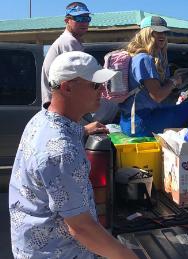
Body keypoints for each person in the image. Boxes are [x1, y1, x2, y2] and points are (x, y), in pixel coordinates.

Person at [9, 51, 137, 259]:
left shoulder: (42, 119)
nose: (103, 92)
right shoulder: (61, 150)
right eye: (95, 85)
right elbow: (81, 229)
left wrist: (84, 130)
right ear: (67, 87)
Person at [119, 16, 188, 136]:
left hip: (130, 121)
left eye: (164, 32)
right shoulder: (144, 59)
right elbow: (158, 96)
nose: (162, 35)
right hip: (141, 123)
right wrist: (173, 81)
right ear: (146, 33)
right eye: (156, 32)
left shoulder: (137, 56)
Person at [40, 2, 108, 135]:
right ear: (67, 20)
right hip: (62, 113)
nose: (84, 22)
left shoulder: (69, 41)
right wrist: (83, 129)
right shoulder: (68, 42)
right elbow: (80, 83)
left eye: (87, 18)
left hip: (57, 113)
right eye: (79, 18)